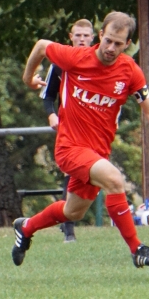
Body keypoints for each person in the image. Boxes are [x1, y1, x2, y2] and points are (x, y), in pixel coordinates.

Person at [11, 11, 149, 268]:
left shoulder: (129, 71)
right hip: (69, 147)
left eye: (118, 43)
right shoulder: (75, 58)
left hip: (97, 153)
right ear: (100, 35)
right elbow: (41, 46)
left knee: (73, 211)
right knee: (115, 180)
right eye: (108, 40)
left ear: (127, 44)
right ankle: (137, 250)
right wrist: (28, 78)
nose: (111, 47)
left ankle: (26, 227)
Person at [41, 19, 96, 243]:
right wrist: (51, 114)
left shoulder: (99, 62)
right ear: (71, 37)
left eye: (86, 35)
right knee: (72, 172)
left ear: (93, 38)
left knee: (94, 176)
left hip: (95, 128)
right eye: (78, 35)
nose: (82, 39)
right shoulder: (60, 61)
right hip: (70, 127)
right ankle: (69, 228)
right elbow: (47, 96)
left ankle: (68, 219)